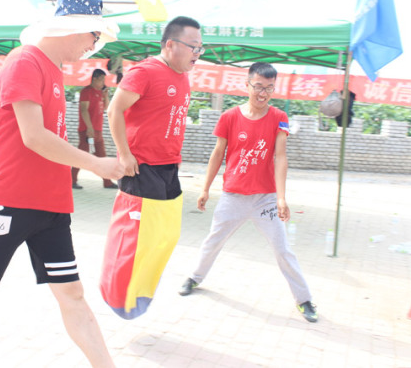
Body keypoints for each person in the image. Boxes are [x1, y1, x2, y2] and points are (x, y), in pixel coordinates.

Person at [0, 0, 122, 368]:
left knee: (72, 294)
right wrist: (97, 165)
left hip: (52, 206)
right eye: (94, 36)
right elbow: (33, 136)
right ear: (75, 27)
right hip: (10, 203)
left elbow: (10, 131)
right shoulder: (25, 61)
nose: (93, 46)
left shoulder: (53, 70)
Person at [178, 62, 318, 323]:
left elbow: (280, 156)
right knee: (213, 241)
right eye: (258, 87)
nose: (263, 93)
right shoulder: (229, 117)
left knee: (282, 249)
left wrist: (281, 198)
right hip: (233, 196)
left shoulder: (279, 117)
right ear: (247, 85)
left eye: (269, 88)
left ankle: (304, 299)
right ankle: (194, 278)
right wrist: (205, 188)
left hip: (265, 199)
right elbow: (217, 153)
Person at [101, 16, 202, 319]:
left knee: (164, 235)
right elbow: (114, 110)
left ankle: (139, 291)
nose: (197, 53)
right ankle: (118, 293)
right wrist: (124, 154)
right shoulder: (145, 72)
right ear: (171, 44)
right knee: (136, 236)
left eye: (201, 48)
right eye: (193, 46)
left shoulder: (182, 76)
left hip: (169, 167)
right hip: (142, 167)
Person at [71, 68, 117, 189]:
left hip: (98, 130)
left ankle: (107, 182)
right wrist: (89, 128)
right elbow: (84, 110)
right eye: (101, 80)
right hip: (87, 130)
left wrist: (105, 95)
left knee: (102, 156)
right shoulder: (86, 92)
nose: (103, 83)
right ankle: (72, 180)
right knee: (82, 156)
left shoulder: (100, 93)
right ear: (94, 79)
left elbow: (107, 107)